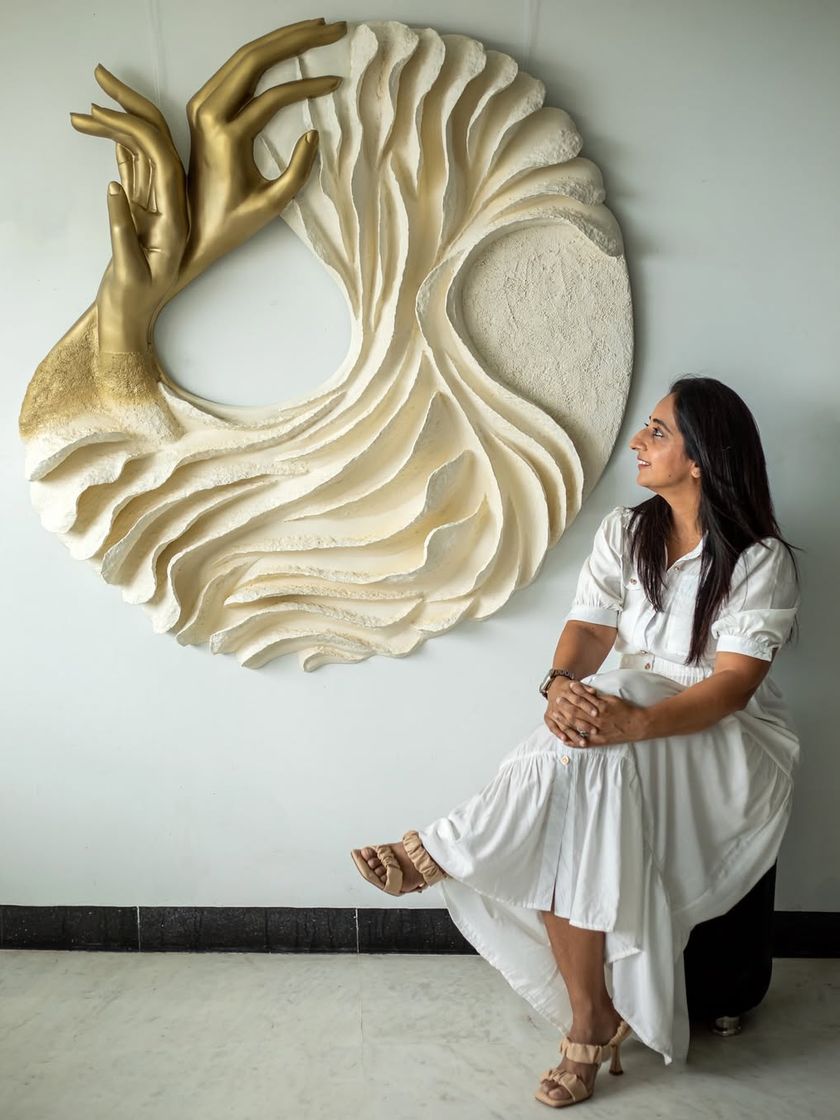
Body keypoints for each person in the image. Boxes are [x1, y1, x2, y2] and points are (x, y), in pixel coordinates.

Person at [350, 376, 802, 1109]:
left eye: (658, 432)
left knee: (617, 703)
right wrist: (561, 685)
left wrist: (630, 721)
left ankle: (441, 849)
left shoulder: (759, 559)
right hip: (622, 734)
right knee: (576, 776)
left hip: (723, 741)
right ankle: (588, 1024)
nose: (638, 442)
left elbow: (731, 688)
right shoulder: (627, 531)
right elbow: (591, 630)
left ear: (700, 459)